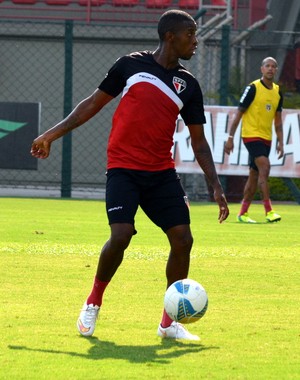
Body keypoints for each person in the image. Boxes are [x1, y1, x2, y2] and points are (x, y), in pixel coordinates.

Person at [31, 10, 229, 340]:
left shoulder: (189, 85)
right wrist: (51, 134)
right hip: (124, 169)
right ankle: (93, 302)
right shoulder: (130, 65)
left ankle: (169, 323)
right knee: (121, 235)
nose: (196, 41)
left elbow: (198, 141)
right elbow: (92, 104)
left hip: (162, 173)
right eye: (191, 35)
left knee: (183, 239)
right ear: (171, 37)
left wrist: (216, 185)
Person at [225, 57, 284, 224]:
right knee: (265, 166)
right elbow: (239, 113)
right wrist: (230, 138)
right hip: (251, 135)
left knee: (254, 174)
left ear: (276, 69)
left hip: (267, 138)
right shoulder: (252, 88)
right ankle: (269, 210)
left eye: (273, 66)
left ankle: (243, 213)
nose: (270, 69)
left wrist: (280, 141)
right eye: (267, 66)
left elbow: (278, 120)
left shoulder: (277, 92)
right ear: (261, 69)